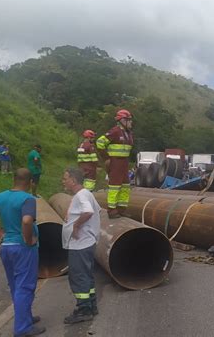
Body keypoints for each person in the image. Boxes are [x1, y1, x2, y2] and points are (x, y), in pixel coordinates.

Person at [0, 168, 45, 336]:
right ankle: (23, 329)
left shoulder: (0, 197)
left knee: (16, 285)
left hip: (7, 247)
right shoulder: (28, 199)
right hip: (23, 248)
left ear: (14, 179)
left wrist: (1, 234)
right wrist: (28, 240)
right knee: (26, 286)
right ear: (30, 183)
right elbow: (27, 220)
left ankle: (25, 317)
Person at [61, 167, 100, 324]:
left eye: (65, 178)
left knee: (79, 277)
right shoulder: (86, 194)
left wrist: (76, 226)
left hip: (80, 245)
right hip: (86, 243)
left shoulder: (81, 195)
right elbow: (96, 210)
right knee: (86, 275)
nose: (63, 181)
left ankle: (84, 310)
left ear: (73, 180)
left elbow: (89, 212)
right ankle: (91, 305)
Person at [96, 109, 134, 219]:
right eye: (129, 120)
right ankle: (112, 210)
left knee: (126, 186)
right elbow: (99, 142)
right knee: (115, 187)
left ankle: (121, 209)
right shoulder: (115, 131)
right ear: (122, 120)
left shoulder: (128, 133)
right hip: (115, 162)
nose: (131, 123)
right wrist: (106, 158)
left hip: (124, 162)